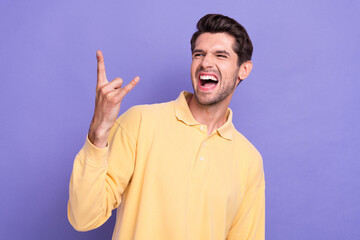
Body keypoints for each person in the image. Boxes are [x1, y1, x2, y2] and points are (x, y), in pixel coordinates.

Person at [68, 14, 265, 240]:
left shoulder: (249, 160)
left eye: (221, 55)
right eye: (198, 54)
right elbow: (83, 217)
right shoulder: (140, 122)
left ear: (244, 69)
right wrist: (99, 130)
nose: (206, 63)